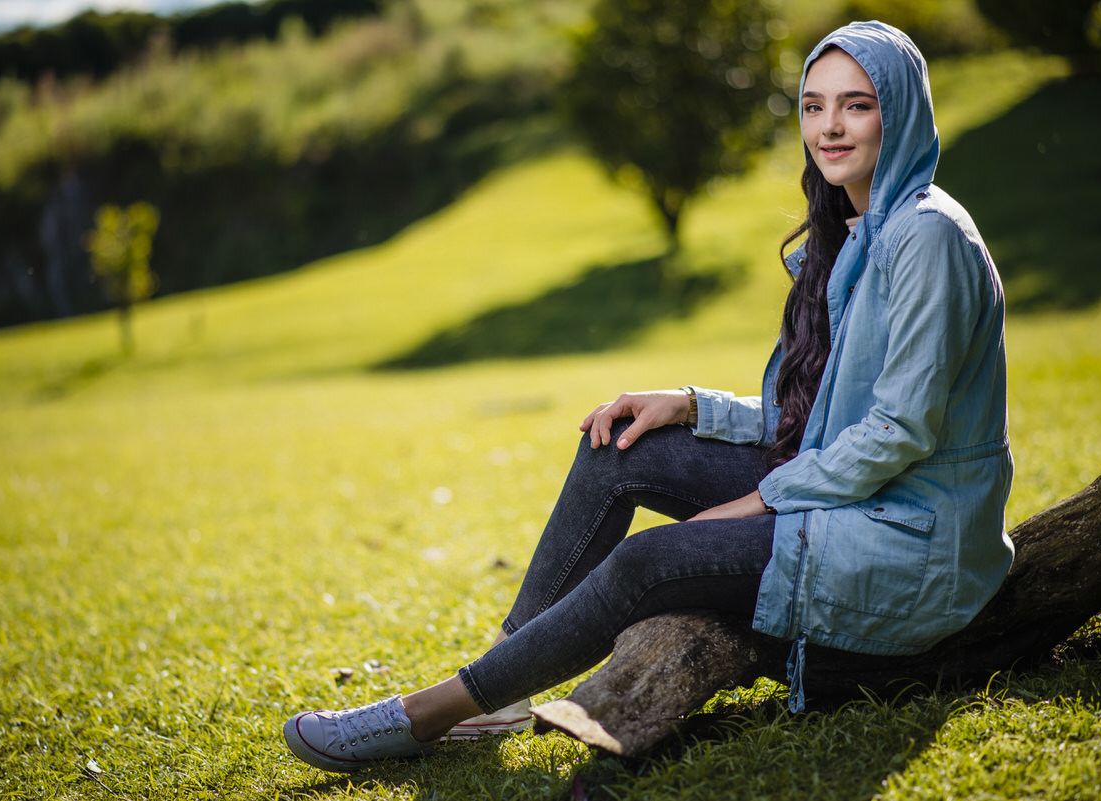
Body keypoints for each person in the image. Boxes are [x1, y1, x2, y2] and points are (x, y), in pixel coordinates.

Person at [282, 20, 1015, 772]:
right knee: (618, 446)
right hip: (850, 493)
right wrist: (693, 405)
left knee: (647, 561)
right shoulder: (858, 230)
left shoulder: (926, 236)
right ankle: (500, 685)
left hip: (910, 537)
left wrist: (762, 500)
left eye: (856, 106)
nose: (829, 126)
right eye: (813, 105)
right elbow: (821, 417)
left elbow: (899, 431)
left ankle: (428, 713)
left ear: (900, 112)